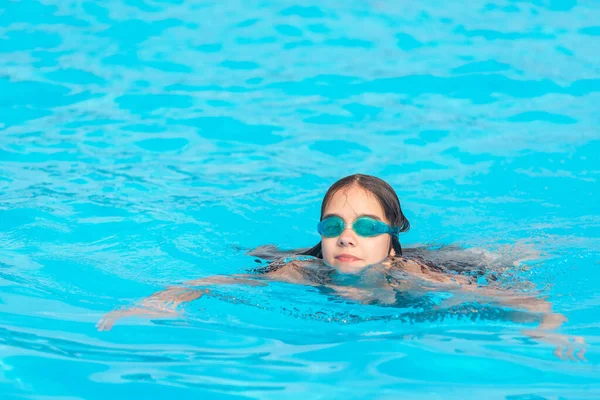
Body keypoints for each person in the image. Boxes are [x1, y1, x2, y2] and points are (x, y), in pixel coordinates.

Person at [97, 174, 585, 360]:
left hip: (430, 268)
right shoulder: (300, 270)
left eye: (368, 227)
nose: (348, 236)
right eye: (334, 226)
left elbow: (506, 298)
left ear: (392, 238)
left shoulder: (412, 272)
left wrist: (548, 326)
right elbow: (213, 283)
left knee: (495, 262)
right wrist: (157, 303)